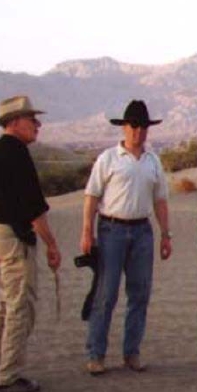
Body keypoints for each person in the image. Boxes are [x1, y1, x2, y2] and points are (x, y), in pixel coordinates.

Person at [0, 95, 62, 392]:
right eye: (31, 119)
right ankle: (8, 375)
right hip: (11, 237)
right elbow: (34, 209)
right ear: (13, 122)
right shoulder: (18, 155)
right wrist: (52, 245)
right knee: (20, 304)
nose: (38, 124)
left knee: (6, 300)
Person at [79, 100, 172, 376]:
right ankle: (96, 354)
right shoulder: (108, 158)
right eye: (133, 125)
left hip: (142, 231)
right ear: (124, 127)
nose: (138, 131)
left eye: (143, 126)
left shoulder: (153, 161)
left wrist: (166, 234)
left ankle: (131, 352)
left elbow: (161, 200)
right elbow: (92, 195)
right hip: (111, 231)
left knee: (140, 293)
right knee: (106, 294)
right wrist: (87, 231)